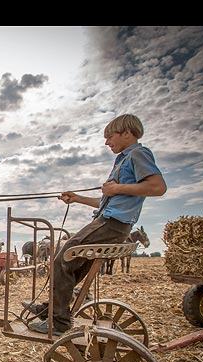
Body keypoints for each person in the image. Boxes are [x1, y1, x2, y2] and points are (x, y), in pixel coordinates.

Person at [24, 113, 167, 336]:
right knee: (72, 263)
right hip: (110, 220)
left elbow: (158, 186)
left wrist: (117, 188)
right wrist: (77, 198)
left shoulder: (138, 153)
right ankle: (51, 309)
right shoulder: (123, 159)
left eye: (110, 137)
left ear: (127, 134)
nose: (107, 142)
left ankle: (58, 322)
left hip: (112, 223)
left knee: (62, 257)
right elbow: (106, 199)